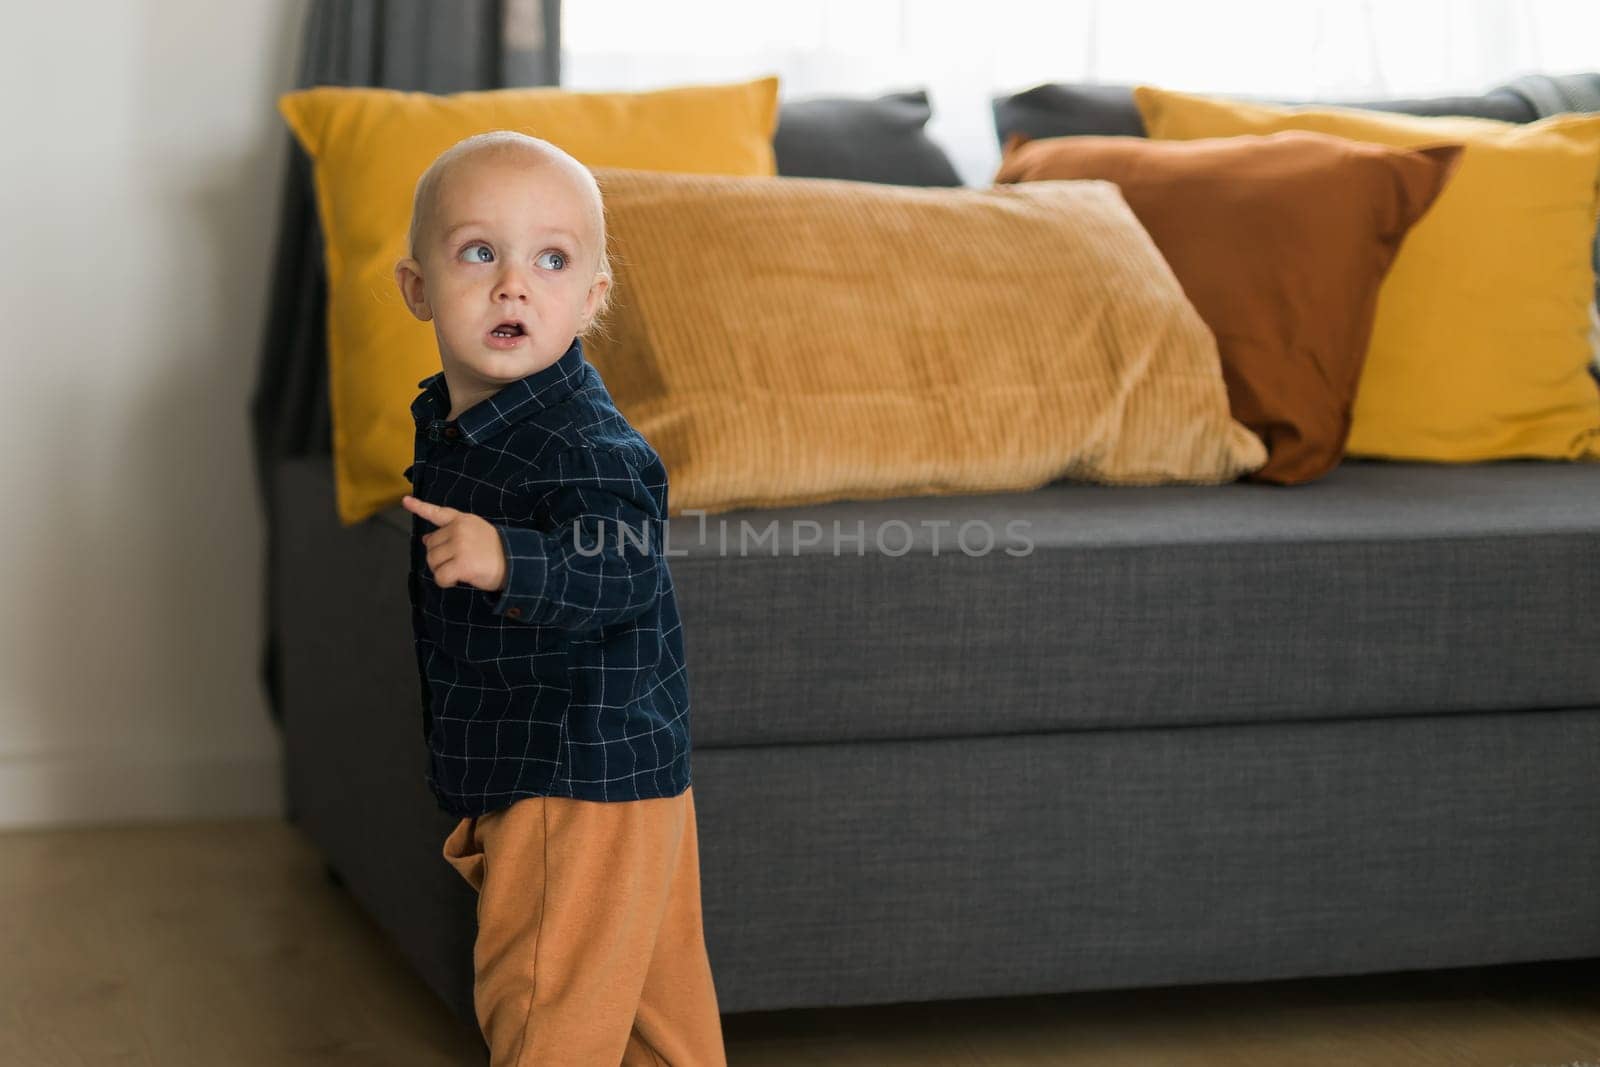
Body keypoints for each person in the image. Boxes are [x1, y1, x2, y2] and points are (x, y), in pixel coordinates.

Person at [393, 129, 726, 1066]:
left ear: (592, 296)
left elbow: (622, 567)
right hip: (618, 766)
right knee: (652, 1010)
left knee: (545, 1002)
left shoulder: (584, 443)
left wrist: (511, 560)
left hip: (569, 767)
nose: (513, 284)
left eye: (550, 258)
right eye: (477, 253)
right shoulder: (465, 419)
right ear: (417, 288)